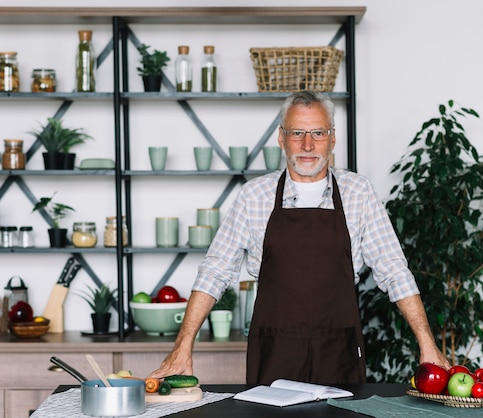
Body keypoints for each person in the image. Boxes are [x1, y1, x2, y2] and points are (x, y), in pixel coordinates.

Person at [151, 91, 450, 385]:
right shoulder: (254, 196)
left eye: (318, 133)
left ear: (333, 138)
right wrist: (182, 347)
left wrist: (426, 343)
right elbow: (215, 271)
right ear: (282, 138)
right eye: (297, 133)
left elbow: (394, 269)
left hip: (339, 353)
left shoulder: (359, 192)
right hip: (274, 354)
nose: (308, 145)